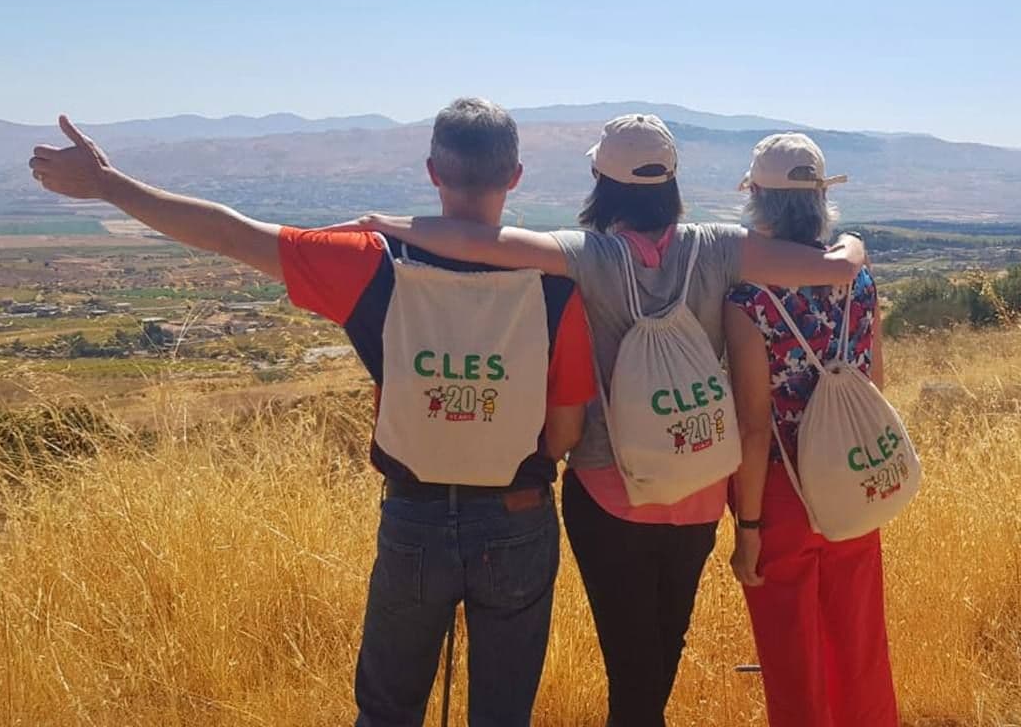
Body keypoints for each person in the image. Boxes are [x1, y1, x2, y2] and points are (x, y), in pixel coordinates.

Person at [28, 98, 597, 727]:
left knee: (387, 712)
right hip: (518, 519)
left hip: (416, 517)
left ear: (433, 171)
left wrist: (108, 185)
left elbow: (226, 232)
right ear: (515, 177)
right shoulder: (556, 280)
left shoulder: (369, 263)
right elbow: (565, 431)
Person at [334, 115, 869, 727]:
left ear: (599, 182)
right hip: (697, 486)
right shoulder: (719, 247)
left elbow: (485, 242)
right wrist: (851, 247)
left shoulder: (584, 254)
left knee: (631, 665)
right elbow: (832, 266)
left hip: (608, 494)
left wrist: (389, 225)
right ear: (671, 182)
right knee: (660, 661)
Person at [724, 133, 897, 727]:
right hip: (852, 475)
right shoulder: (860, 280)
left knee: (793, 662)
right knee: (860, 647)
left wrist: (748, 529)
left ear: (759, 203)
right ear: (821, 198)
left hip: (781, 489)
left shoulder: (749, 298)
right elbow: (875, 381)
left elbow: (752, 425)